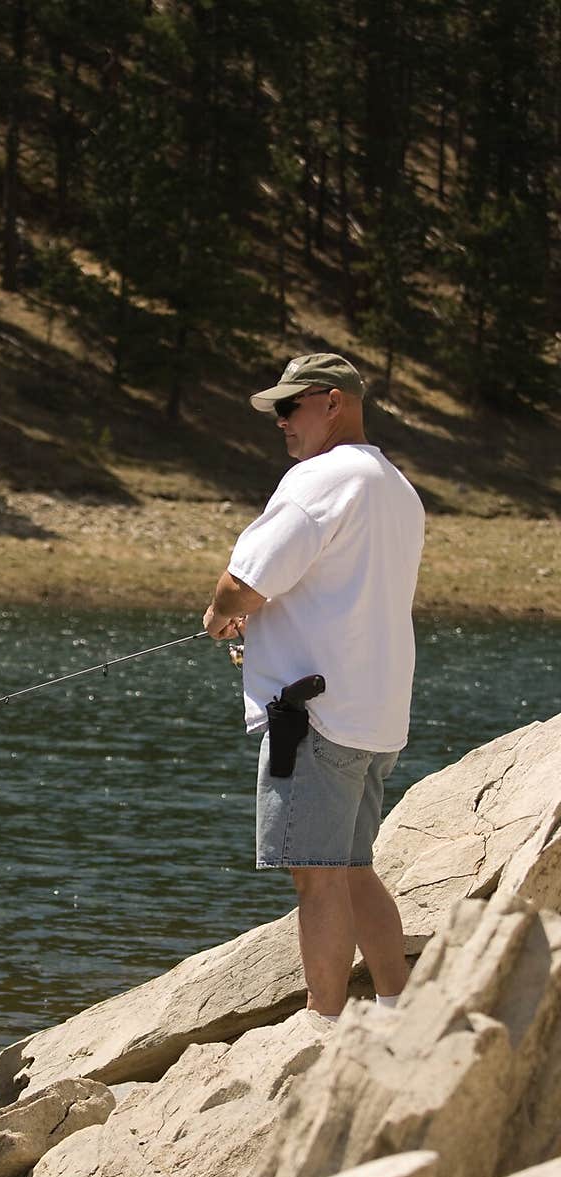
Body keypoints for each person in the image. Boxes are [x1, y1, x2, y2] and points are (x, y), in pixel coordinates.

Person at [202, 352, 425, 1022]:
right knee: (352, 867)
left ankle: (321, 1028)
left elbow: (243, 583)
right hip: (374, 713)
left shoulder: (320, 480)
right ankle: (394, 1010)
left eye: (289, 406)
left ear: (333, 401)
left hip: (315, 717)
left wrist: (220, 617)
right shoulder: (397, 486)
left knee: (318, 876)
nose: (280, 421)